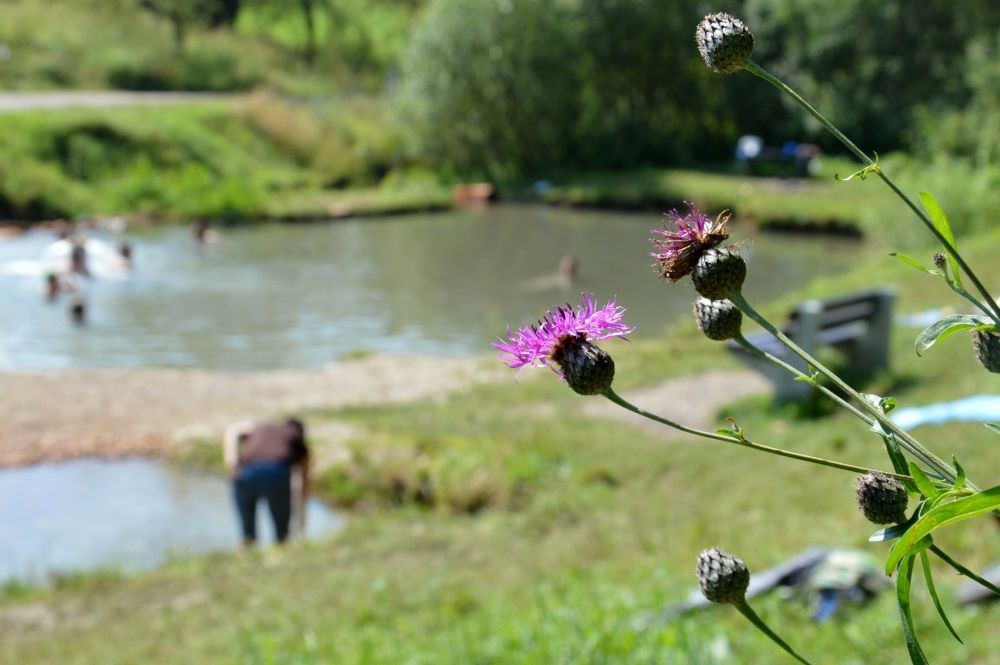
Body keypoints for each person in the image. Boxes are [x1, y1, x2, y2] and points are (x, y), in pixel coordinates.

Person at [223, 417, 310, 546]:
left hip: (245, 472)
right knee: (282, 534)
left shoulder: (262, 426)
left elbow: (232, 431)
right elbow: (303, 478)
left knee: (247, 534)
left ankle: (248, 547)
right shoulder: (295, 435)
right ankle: (282, 549)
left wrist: (232, 463)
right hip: (276, 472)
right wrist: (301, 525)